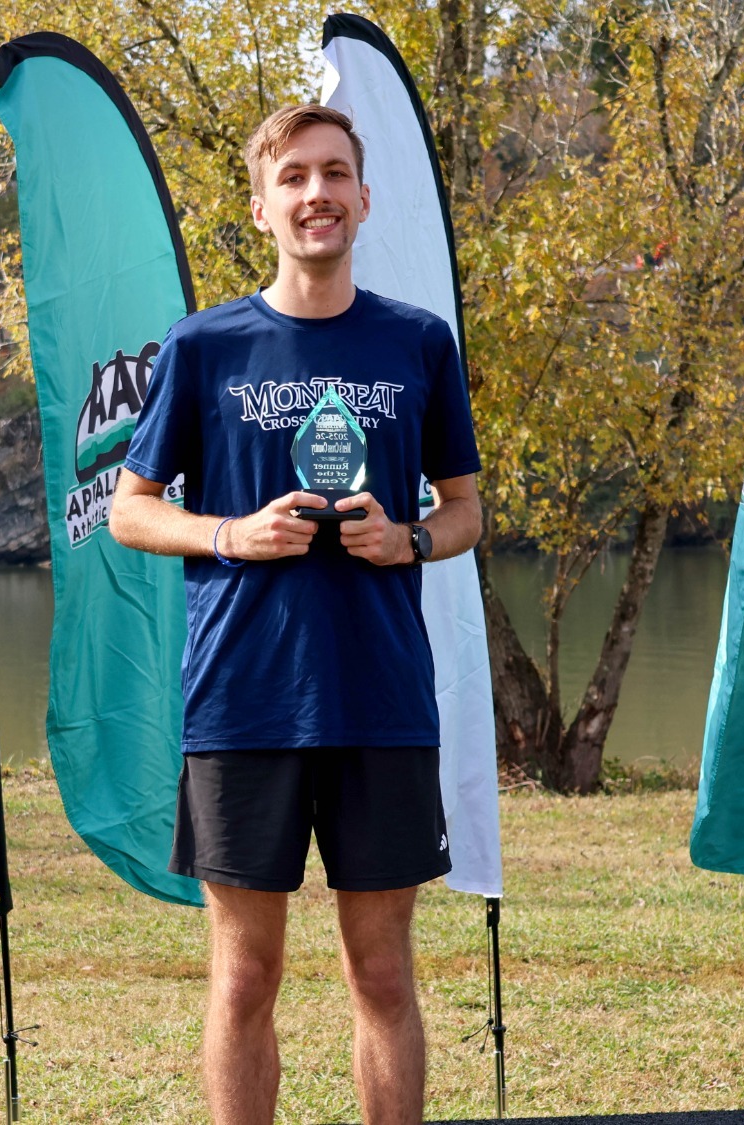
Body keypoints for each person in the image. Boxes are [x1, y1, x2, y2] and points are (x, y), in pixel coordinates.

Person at [109, 102, 482, 1125]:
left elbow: (463, 510)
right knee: (242, 980)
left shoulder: (418, 343)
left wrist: (404, 539)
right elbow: (130, 515)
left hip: (379, 701)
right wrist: (231, 533)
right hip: (243, 705)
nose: (315, 193)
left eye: (333, 174)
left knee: (382, 978)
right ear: (261, 206)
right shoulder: (204, 347)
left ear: (363, 197)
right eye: (293, 178)